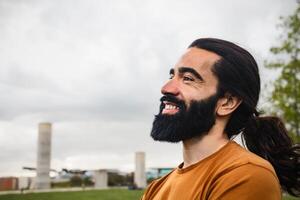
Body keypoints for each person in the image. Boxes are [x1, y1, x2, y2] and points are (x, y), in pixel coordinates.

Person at [141, 38, 300, 200]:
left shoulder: (247, 175)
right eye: (171, 75)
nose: (166, 88)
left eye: (188, 78)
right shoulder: (156, 188)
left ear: (227, 102)